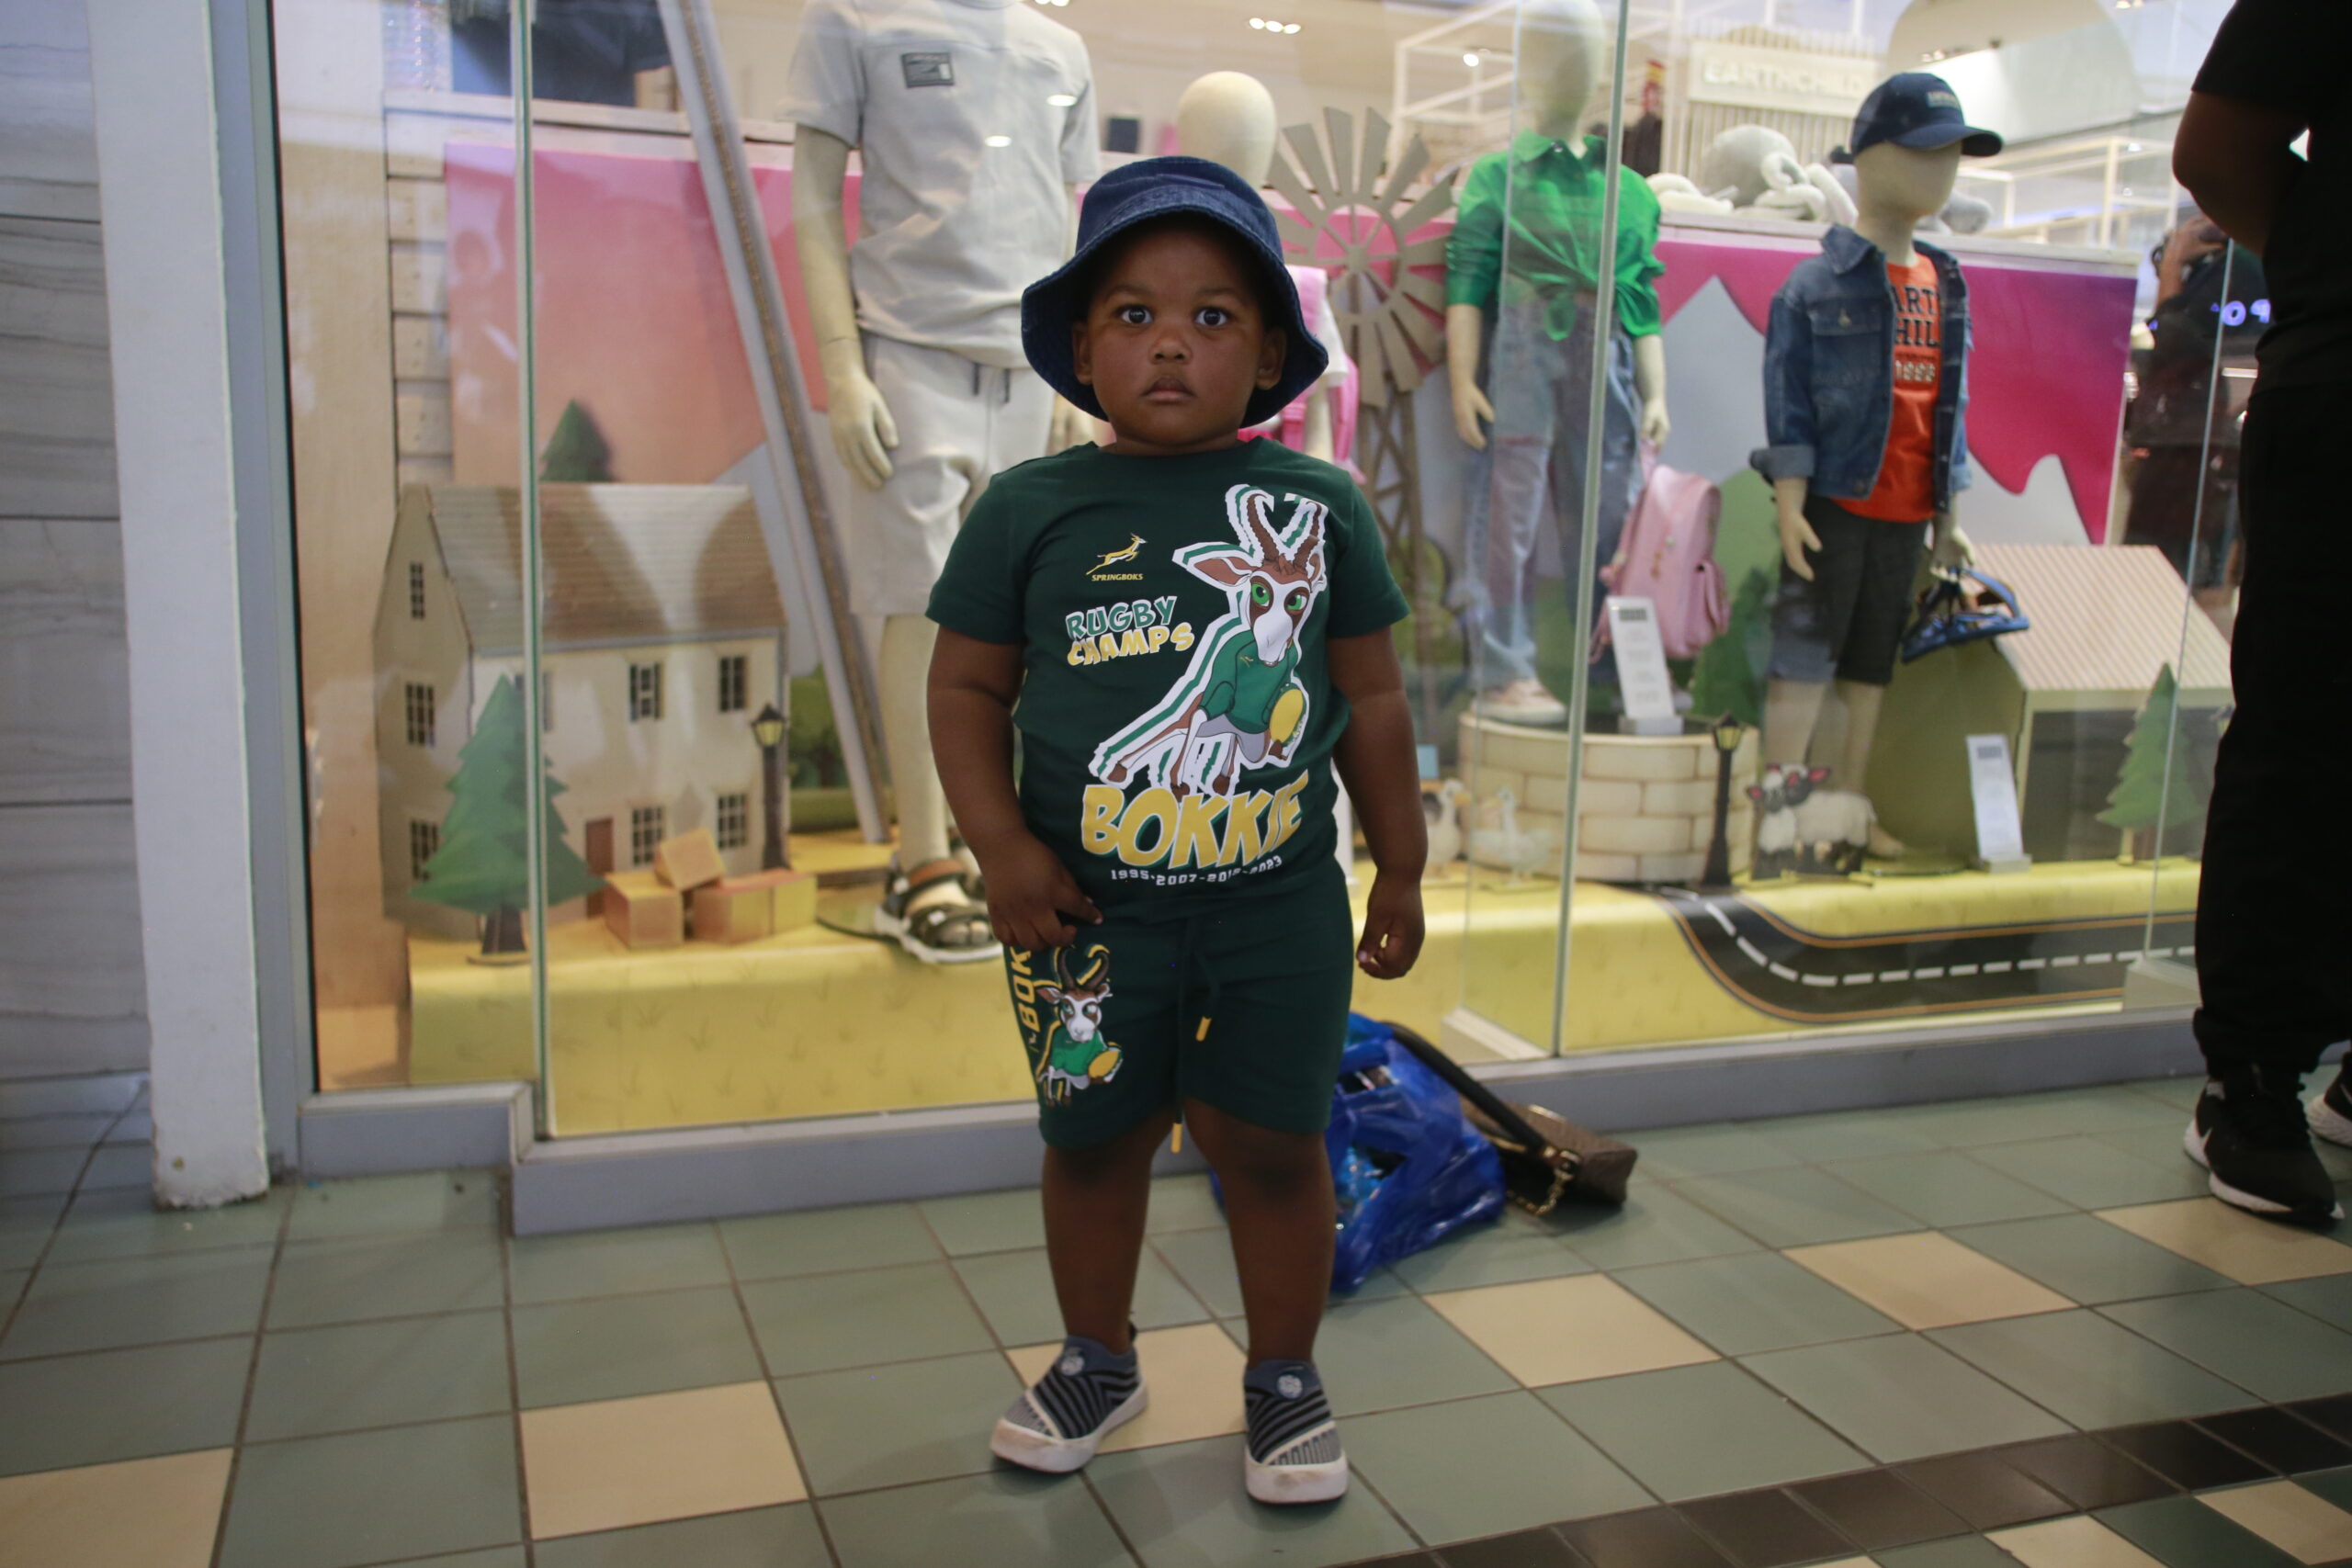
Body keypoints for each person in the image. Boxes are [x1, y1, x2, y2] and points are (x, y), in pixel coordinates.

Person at [924, 156, 1427, 1501]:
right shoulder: (1025, 511)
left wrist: (1402, 862)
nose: (1169, 343)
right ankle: (1100, 1357)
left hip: (1277, 913)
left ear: (1267, 355)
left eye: (1213, 317)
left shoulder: (1323, 509)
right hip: (1085, 922)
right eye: (1134, 313)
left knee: (1272, 1145)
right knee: (1093, 1140)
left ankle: (1284, 1377)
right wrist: (1000, 850)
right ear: (1083, 347)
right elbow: (963, 691)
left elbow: (1374, 698)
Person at [2173, 0, 2352, 1227]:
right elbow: (2220, 146)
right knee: (2306, 735)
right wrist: (2332, 257)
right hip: (2345, 385)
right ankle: (2251, 1079)